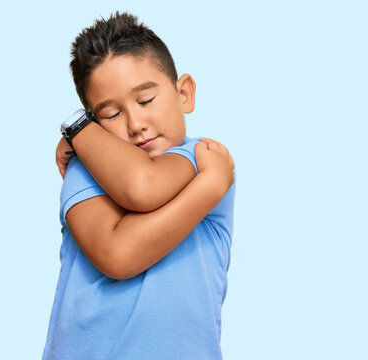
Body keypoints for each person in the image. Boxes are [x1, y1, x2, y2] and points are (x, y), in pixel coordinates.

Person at [42, 11, 236, 360]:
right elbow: (117, 252)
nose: (135, 124)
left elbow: (145, 183)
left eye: (146, 100)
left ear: (184, 94)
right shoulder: (84, 169)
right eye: (111, 115)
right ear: (92, 126)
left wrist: (209, 181)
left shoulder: (203, 158)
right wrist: (208, 187)